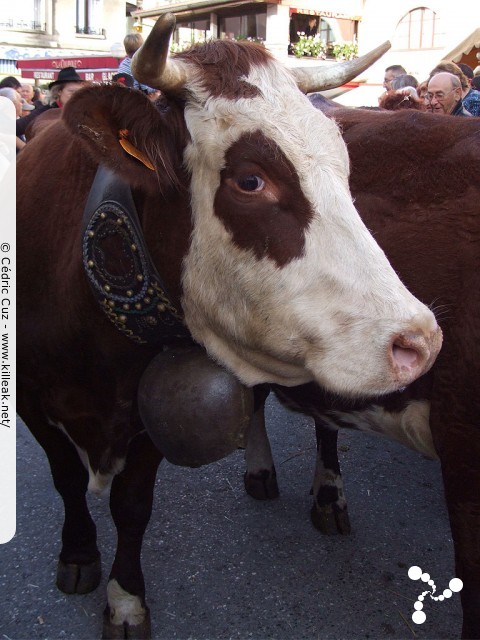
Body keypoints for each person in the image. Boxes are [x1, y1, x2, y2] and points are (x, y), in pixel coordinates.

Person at [0, 87, 27, 152]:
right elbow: (26, 149)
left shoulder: (16, 121)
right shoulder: (5, 125)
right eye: (20, 101)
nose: (22, 104)